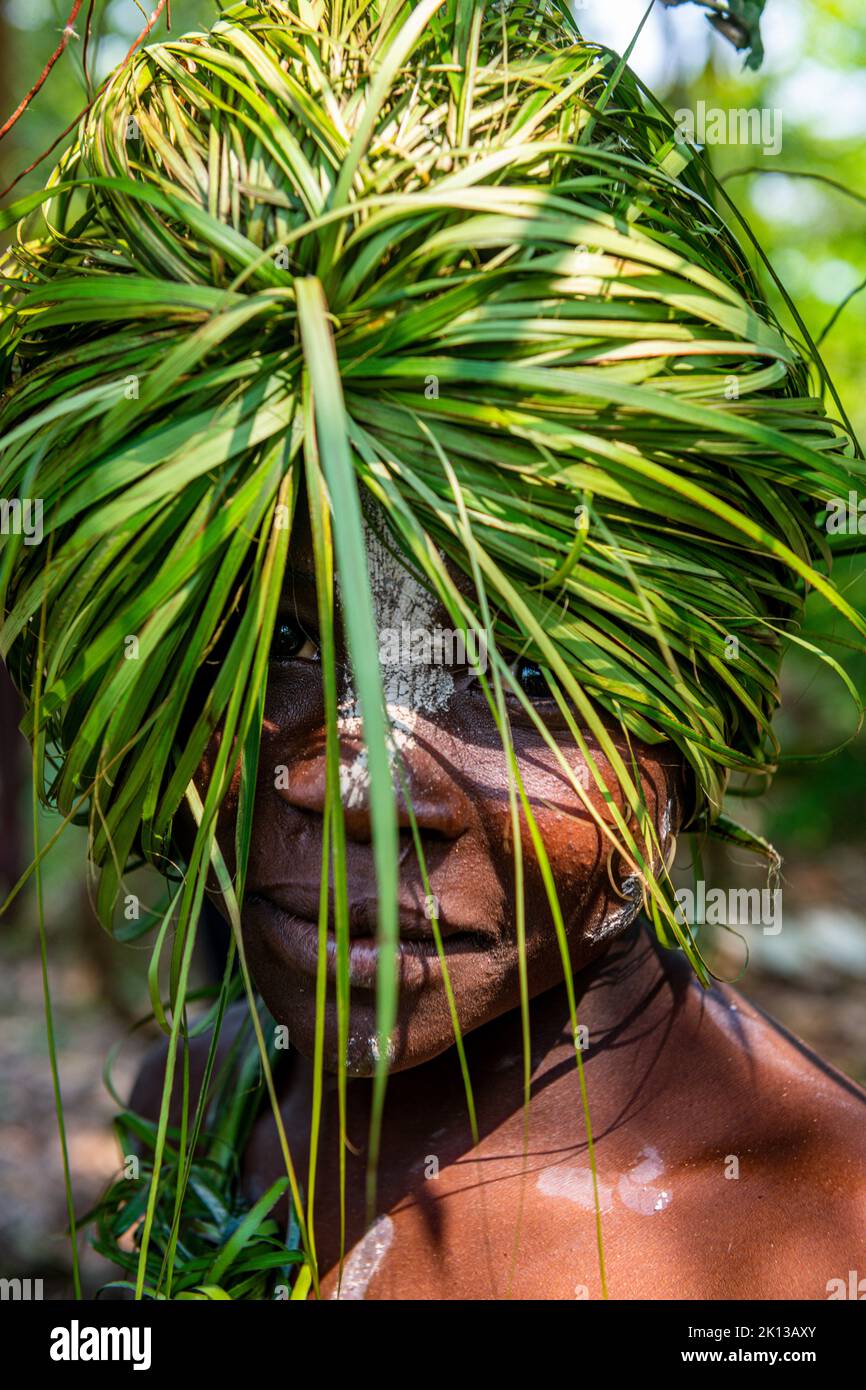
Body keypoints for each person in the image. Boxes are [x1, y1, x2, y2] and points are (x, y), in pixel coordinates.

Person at [132, 502, 866, 1301]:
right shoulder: (204, 1102)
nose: (354, 791)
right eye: (288, 644)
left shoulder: (813, 1242)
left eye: (531, 676)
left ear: (694, 747)